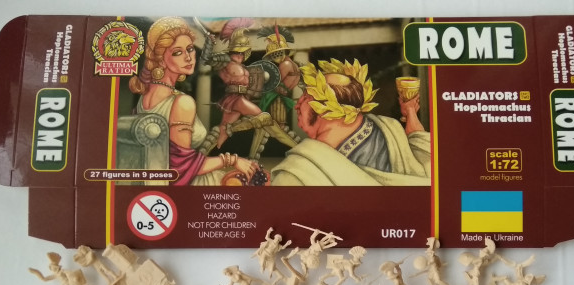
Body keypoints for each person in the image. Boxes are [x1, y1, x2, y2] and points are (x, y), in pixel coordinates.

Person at [128, 16, 257, 186]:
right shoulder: (183, 102)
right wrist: (232, 160)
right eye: (177, 52)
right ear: (161, 59)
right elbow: (182, 169)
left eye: (190, 49)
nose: (188, 57)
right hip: (186, 187)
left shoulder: (145, 97)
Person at [270, 59, 431, 186]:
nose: (297, 105)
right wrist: (410, 112)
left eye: (305, 98)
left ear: (326, 108)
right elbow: (424, 153)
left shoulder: (295, 175)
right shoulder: (390, 128)